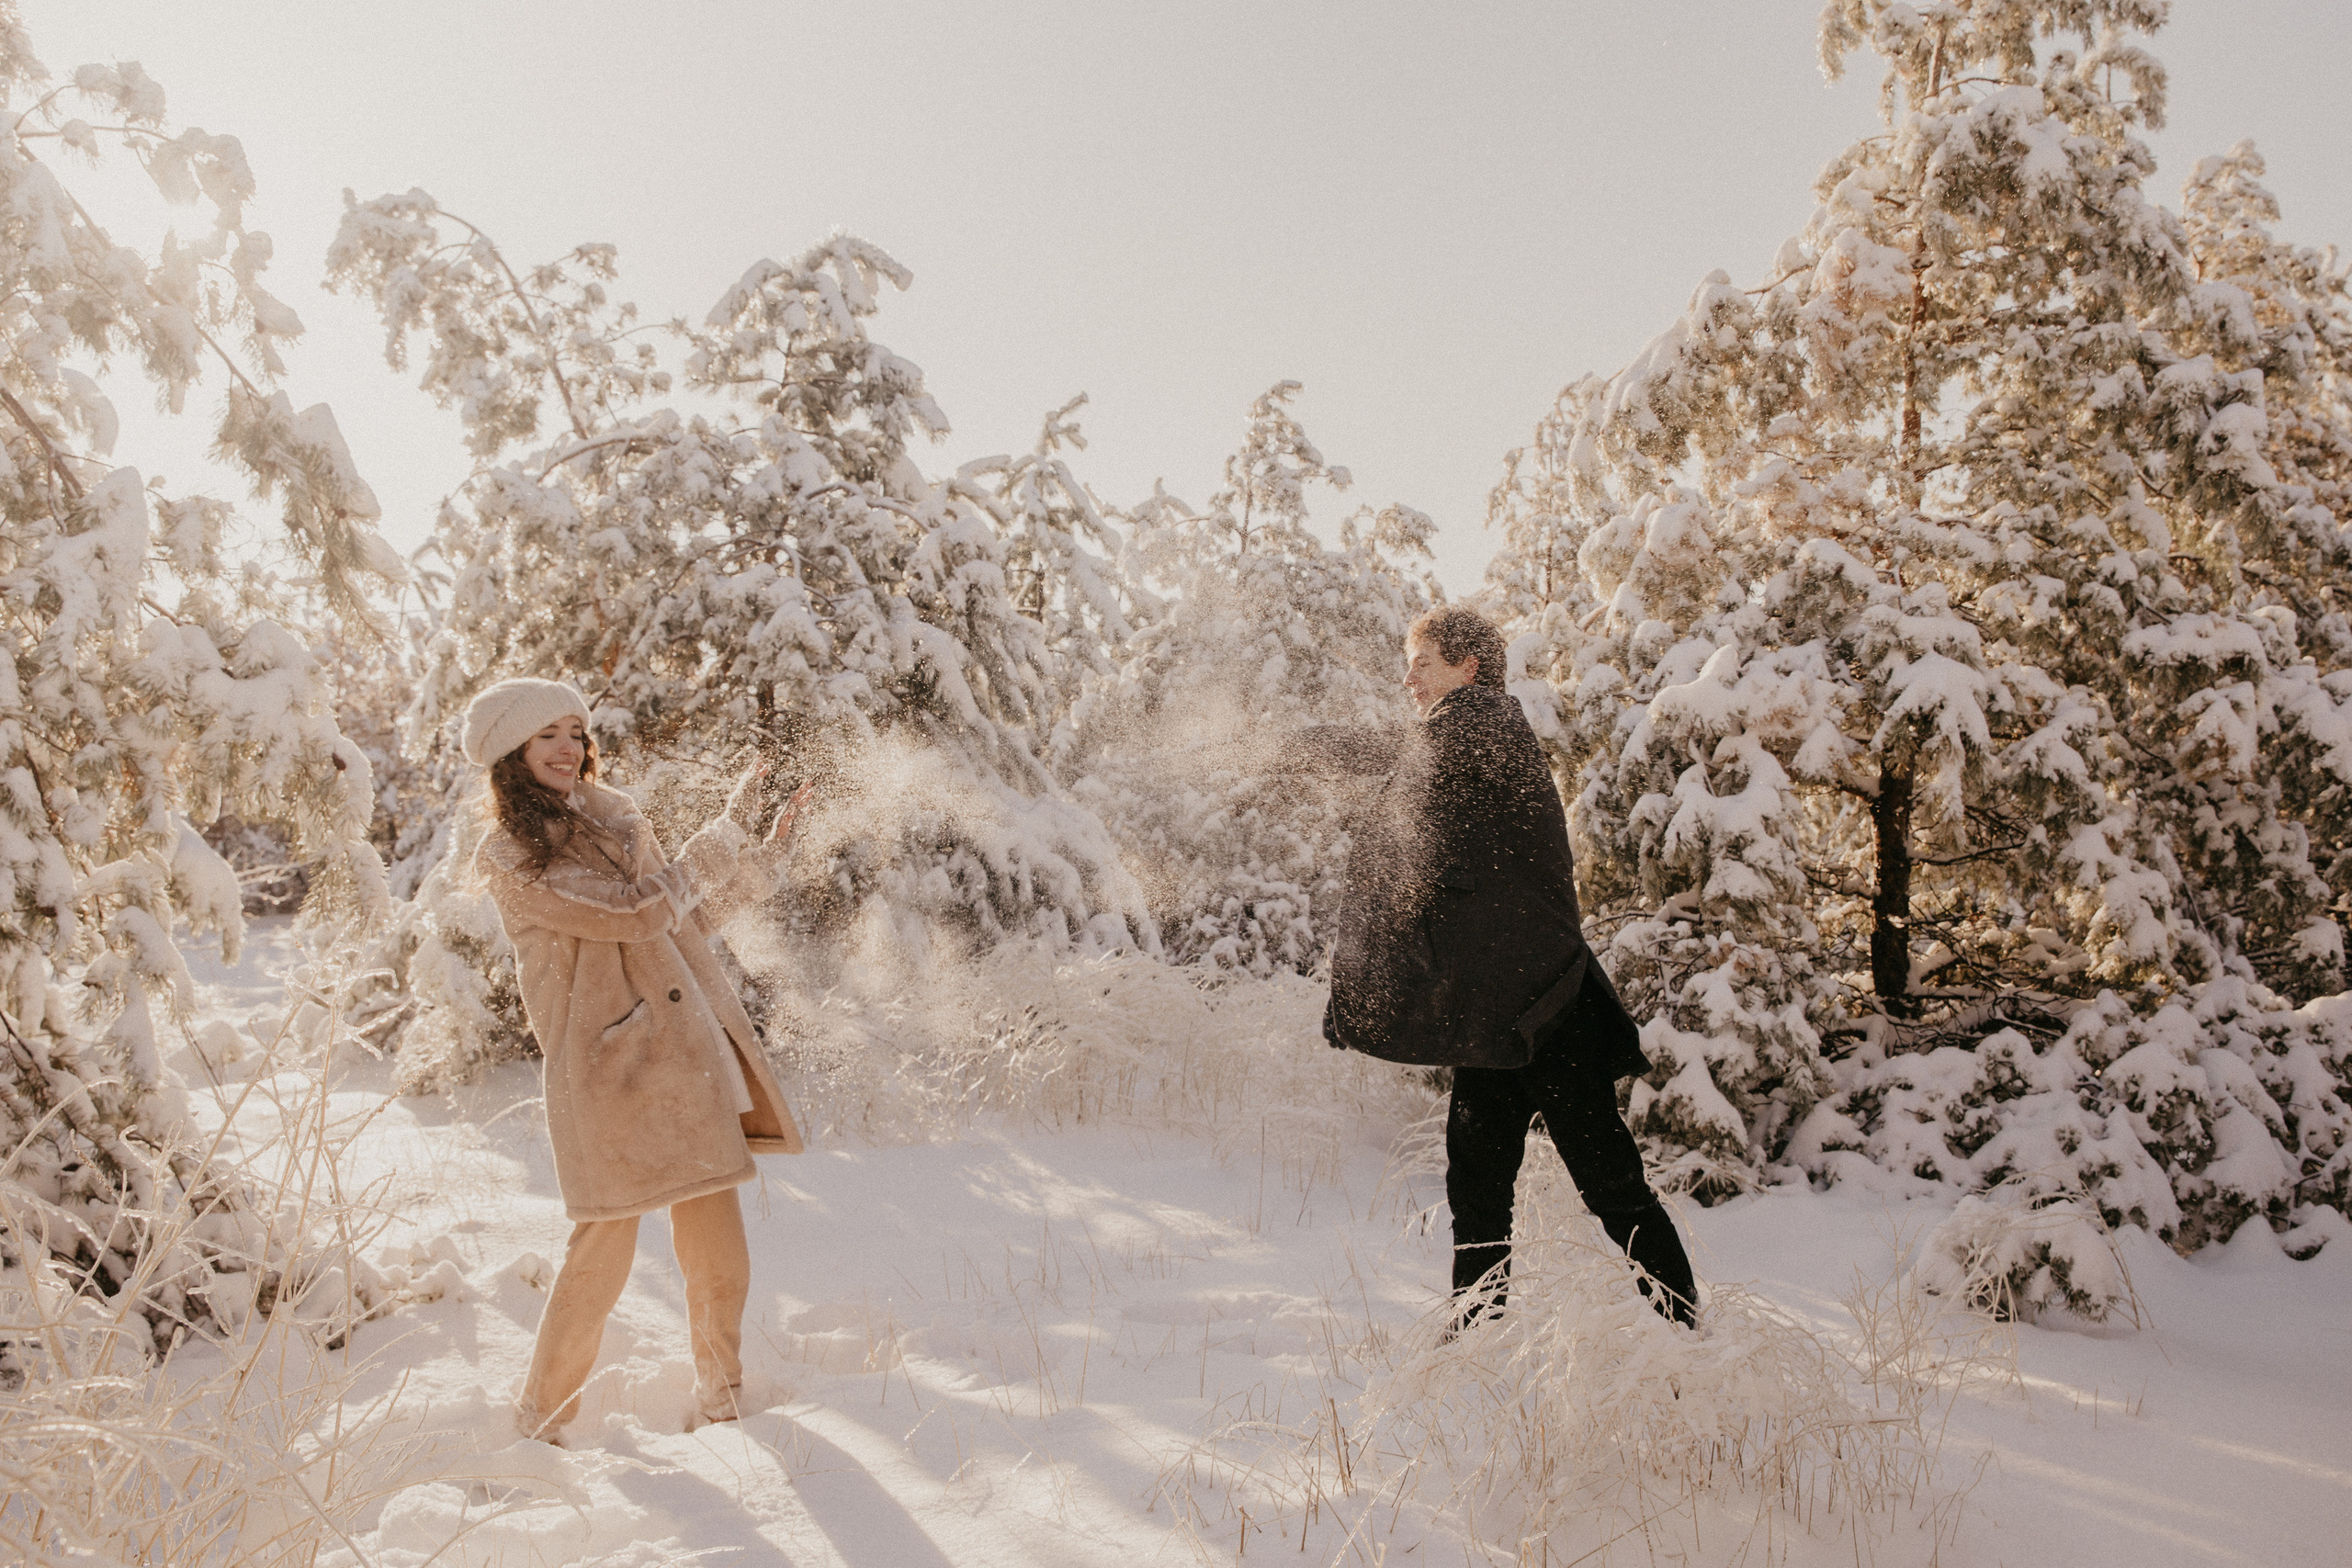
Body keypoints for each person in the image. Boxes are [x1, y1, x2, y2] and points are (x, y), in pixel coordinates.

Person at [1276, 606, 1697, 1326]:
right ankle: (1478, 1338)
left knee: (1613, 1188)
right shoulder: (1461, 749)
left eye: (1424, 662)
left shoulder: (1485, 724)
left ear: (1468, 669)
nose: (1409, 678)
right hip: (1497, 1020)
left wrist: (1291, 744)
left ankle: (1686, 1330)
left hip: (1548, 1014)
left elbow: (1399, 753)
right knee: (1477, 1189)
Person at [461, 677, 809, 1444]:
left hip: (680, 1062)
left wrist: (763, 858)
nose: (568, 746)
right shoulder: (512, 856)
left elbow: (674, 927)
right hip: (603, 1073)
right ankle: (542, 1424)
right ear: (510, 753)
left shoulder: (615, 820)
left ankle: (723, 1398)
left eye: (576, 730)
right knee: (600, 1255)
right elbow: (633, 910)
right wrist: (719, 836)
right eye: (547, 733)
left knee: (718, 1248)